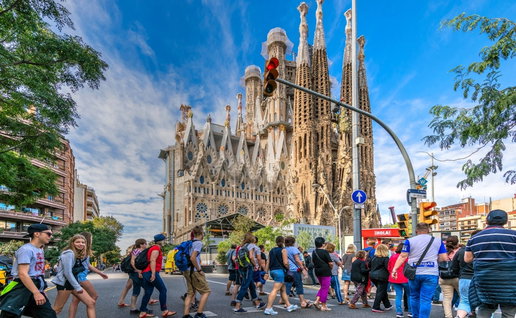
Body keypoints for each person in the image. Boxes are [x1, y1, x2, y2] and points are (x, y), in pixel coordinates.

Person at [464, 209, 516, 318]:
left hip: (485, 280)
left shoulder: (475, 237)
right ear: (505, 221)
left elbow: (467, 259)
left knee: (485, 307)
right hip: (509, 282)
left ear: (487, 221)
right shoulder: (514, 235)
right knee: (509, 310)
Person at [392, 223, 448, 318]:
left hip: (414, 273)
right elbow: (444, 258)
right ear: (429, 230)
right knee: (426, 299)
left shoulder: (409, 241)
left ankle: (415, 316)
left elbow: (402, 256)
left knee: (414, 297)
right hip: (431, 273)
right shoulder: (438, 241)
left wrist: (394, 269)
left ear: (416, 231)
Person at [0, 224, 57, 318]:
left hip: (36, 285)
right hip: (22, 286)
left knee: (48, 315)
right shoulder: (26, 250)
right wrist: (36, 292)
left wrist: (41, 290)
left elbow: (38, 272)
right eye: (48, 234)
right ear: (37, 234)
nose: (50, 236)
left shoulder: (40, 249)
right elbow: (22, 273)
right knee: (10, 315)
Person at [51, 235, 97, 318]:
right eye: (78, 242)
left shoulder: (78, 254)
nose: (81, 244)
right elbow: (67, 272)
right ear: (72, 243)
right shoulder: (69, 253)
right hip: (65, 284)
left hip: (73, 283)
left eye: (83, 242)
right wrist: (78, 287)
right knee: (57, 309)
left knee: (91, 303)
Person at [68, 232, 109, 318]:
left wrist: (100, 273)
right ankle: (90, 309)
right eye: (91, 238)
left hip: (78, 277)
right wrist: (100, 273)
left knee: (75, 301)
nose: (92, 240)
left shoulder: (83, 251)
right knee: (93, 297)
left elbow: (88, 265)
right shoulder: (82, 251)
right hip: (80, 277)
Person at [139, 234, 176, 318]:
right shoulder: (156, 248)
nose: (165, 241)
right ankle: (164, 311)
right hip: (151, 272)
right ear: (160, 241)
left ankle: (142, 312)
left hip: (146, 272)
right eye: (164, 240)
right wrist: (153, 273)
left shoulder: (152, 248)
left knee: (148, 292)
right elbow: (152, 260)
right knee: (163, 290)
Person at [263, 236, 298, 315]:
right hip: (280, 271)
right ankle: (268, 308)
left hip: (273, 271)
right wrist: (288, 268)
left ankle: (289, 305)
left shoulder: (271, 250)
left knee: (283, 289)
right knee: (275, 290)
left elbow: (268, 262)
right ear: (283, 242)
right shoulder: (283, 250)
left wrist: (266, 272)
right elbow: (286, 262)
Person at [182, 226, 211, 318]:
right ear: (201, 233)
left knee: (190, 293)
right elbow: (193, 257)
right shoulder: (198, 243)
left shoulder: (190, 242)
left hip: (187, 270)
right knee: (206, 291)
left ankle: (186, 315)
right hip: (194, 271)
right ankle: (199, 313)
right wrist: (199, 270)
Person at [233, 233, 265, 313]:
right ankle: (237, 306)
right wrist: (255, 265)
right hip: (249, 268)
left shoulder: (242, 246)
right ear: (252, 238)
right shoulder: (251, 246)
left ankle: (257, 303)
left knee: (251, 286)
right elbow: (251, 256)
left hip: (242, 267)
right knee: (244, 286)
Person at [451, 230, 480, 318]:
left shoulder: (461, 251)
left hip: (464, 278)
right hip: (481, 278)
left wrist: (460, 275)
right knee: (485, 303)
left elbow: (454, 267)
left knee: (464, 301)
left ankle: (459, 316)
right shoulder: (484, 251)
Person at [283, 236, 311, 309]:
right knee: (299, 285)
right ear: (293, 242)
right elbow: (297, 260)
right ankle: (302, 302)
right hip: (295, 270)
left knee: (288, 286)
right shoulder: (294, 249)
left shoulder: (284, 249)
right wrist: (303, 269)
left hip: (288, 270)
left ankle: (286, 303)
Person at [388, 243, 412, 318]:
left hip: (395, 278)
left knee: (398, 295)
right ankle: (410, 312)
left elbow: (389, 268)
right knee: (409, 295)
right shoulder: (407, 257)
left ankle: (399, 312)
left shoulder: (392, 256)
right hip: (406, 278)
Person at [439, 236, 460, 318]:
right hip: (456, 277)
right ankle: (461, 315)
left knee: (447, 298)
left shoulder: (442, 252)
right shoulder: (459, 251)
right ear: (457, 243)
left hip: (444, 278)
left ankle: (448, 316)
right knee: (463, 298)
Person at [312, 237, 333, 311]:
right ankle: (324, 305)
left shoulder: (314, 252)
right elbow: (330, 263)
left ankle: (317, 301)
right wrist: (331, 267)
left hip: (317, 271)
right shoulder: (325, 252)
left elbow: (313, 261)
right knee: (325, 288)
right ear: (322, 244)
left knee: (322, 287)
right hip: (325, 271)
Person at [370, 244, 392, 313]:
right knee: (380, 291)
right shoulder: (386, 258)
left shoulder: (374, 257)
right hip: (382, 276)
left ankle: (387, 305)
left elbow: (369, 265)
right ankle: (376, 307)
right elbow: (388, 268)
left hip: (373, 276)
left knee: (382, 290)